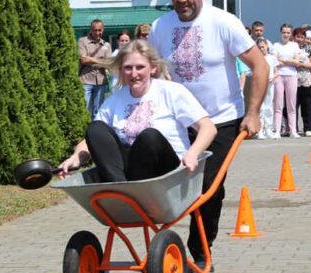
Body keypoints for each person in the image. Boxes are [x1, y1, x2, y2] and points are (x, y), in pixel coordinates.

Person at [148, 0, 269, 271]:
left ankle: (200, 249)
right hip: (179, 122)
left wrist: (253, 113)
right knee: (170, 182)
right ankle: (167, 245)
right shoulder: (160, 27)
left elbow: (260, 67)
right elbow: (148, 72)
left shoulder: (223, 23)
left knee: (208, 185)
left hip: (222, 121)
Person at [58, 40, 216, 183]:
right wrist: (77, 157)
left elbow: (208, 128)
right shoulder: (115, 100)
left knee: (149, 137)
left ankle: (128, 193)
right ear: (121, 70)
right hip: (129, 174)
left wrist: (193, 153)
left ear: (153, 67)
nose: (134, 74)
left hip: (167, 174)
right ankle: (121, 190)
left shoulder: (172, 92)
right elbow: (94, 139)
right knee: (95, 128)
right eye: (128, 68)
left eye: (140, 67)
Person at [78, 19, 112, 119]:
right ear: (91, 30)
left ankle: (95, 130)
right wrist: (101, 61)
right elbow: (83, 60)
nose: (97, 32)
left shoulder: (106, 45)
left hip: (101, 81)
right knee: (85, 108)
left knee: (99, 110)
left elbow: (109, 63)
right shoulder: (82, 41)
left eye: (99, 30)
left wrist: (92, 59)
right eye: (95, 30)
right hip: (86, 80)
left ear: (103, 30)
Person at [272, 24, 300, 138]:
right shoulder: (276, 45)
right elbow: (275, 61)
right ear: (281, 33)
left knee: (291, 104)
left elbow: (297, 62)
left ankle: (293, 130)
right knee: (278, 104)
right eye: (284, 32)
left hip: (292, 75)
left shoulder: (294, 45)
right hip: (279, 75)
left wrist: (283, 60)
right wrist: (289, 61)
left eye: (288, 33)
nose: (286, 35)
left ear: (291, 34)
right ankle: (277, 130)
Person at [293, 27, 311, 136]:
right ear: (293, 37)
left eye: (301, 37)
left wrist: (303, 65)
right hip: (292, 79)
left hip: (306, 80)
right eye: (297, 37)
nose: (299, 39)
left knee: (307, 105)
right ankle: (293, 128)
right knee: (293, 105)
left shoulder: (307, 48)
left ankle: (307, 128)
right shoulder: (290, 48)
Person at [257, 39, 279, 139]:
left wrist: (273, 77)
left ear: (267, 46)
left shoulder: (272, 58)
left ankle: (269, 129)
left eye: (263, 46)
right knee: (260, 107)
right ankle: (260, 130)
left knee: (269, 106)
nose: (262, 49)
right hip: (259, 85)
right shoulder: (257, 58)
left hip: (270, 84)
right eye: (260, 47)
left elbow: (276, 72)